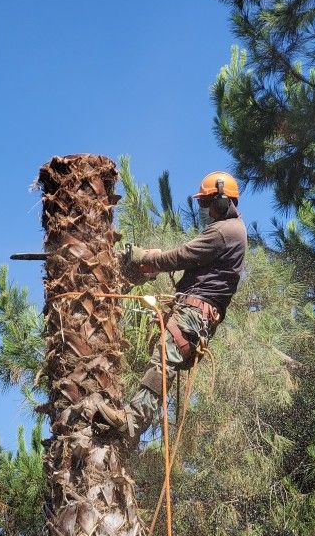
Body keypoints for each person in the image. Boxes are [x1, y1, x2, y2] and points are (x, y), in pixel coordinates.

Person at [96, 172, 247, 445]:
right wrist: (151, 261)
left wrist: (148, 257)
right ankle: (131, 424)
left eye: (207, 203)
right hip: (195, 312)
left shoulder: (226, 231)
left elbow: (183, 255)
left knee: (163, 361)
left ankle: (132, 421)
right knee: (161, 359)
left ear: (223, 200)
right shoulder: (230, 232)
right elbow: (190, 261)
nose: (206, 210)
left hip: (195, 313)